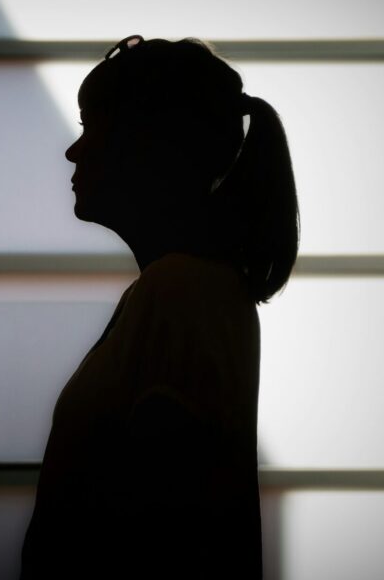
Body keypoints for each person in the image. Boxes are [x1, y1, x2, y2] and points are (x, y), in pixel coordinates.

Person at [20, 35, 299, 578]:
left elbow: (162, 536)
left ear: (146, 146)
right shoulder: (190, 289)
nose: (73, 151)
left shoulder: (180, 294)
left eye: (90, 127)